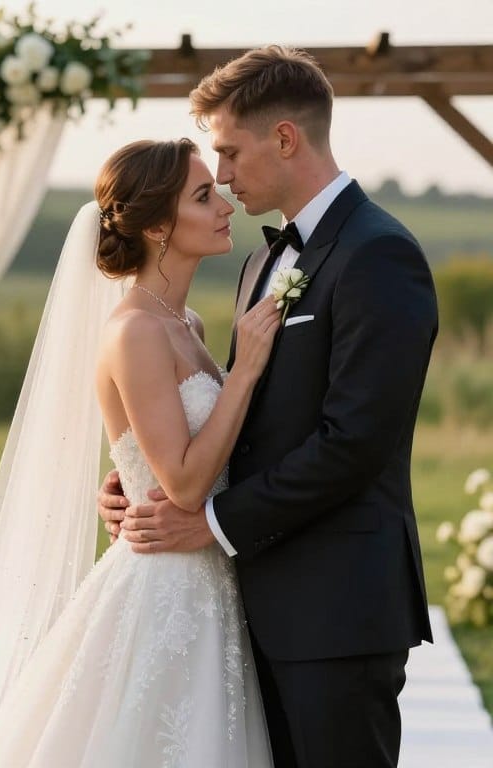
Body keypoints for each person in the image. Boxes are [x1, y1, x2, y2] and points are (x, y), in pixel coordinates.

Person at [0, 138, 281, 767]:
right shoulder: (134, 332)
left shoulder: (187, 326)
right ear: (157, 225)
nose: (225, 203)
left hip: (206, 576)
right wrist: (245, 373)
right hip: (164, 582)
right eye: (203, 196)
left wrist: (124, 475)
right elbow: (180, 483)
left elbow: (156, 451)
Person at [99, 46, 437, 768]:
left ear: (284, 139)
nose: (221, 177)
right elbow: (245, 419)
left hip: (336, 612)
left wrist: (209, 520)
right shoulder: (260, 263)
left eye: (227, 152)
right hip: (248, 608)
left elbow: (354, 442)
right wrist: (136, 483)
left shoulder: (379, 255)